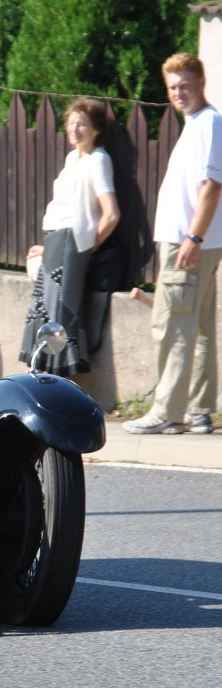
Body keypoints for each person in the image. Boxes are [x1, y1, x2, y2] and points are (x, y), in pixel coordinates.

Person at [124, 53, 222, 435]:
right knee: (197, 327)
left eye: (185, 85)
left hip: (187, 242)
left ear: (201, 82)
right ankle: (198, 410)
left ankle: (168, 412)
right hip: (194, 242)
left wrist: (193, 237)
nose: (178, 93)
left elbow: (212, 185)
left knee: (172, 326)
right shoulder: (199, 123)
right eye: (173, 87)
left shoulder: (208, 123)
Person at [19, 98, 121, 375]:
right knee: (43, 308)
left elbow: (111, 214)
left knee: (60, 312)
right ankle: (40, 374)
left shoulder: (99, 160)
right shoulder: (72, 158)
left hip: (72, 242)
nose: (75, 129)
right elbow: (65, 208)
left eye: (82, 124)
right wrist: (48, 246)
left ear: (96, 129)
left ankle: (56, 379)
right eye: (71, 123)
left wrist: (86, 247)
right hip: (56, 238)